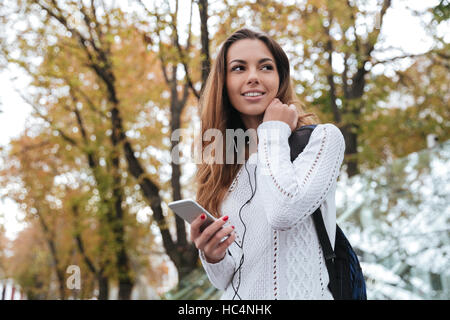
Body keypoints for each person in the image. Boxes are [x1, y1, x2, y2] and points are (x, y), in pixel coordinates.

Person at [190, 28, 346, 300]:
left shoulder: (321, 140)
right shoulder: (221, 167)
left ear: (279, 77)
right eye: (238, 68)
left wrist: (273, 130)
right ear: (223, 83)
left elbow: (283, 212)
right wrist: (213, 255)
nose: (253, 77)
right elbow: (226, 279)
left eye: (265, 67)